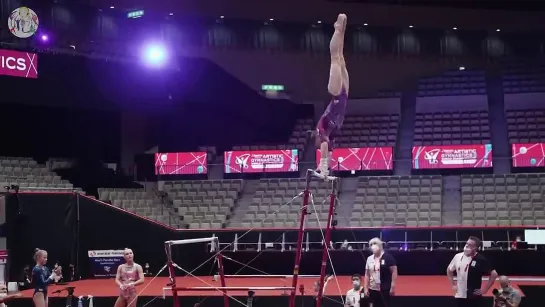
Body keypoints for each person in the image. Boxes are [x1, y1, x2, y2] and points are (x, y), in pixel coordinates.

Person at [314, 13, 350, 177]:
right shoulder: (328, 132)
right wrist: (324, 168)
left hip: (339, 95)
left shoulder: (322, 127)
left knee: (337, 59)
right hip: (341, 94)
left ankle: (339, 29)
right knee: (338, 58)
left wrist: (323, 167)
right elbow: (328, 148)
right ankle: (340, 30)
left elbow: (325, 144)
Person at [447, 236, 498, 307]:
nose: (467, 245)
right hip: (460, 294)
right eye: (467, 243)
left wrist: (485, 289)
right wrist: (453, 284)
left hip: (473, 296)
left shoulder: (481, 259)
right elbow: (449, 270)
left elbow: (494, 274)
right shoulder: (458, 256)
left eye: (470, 244)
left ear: (475, 247)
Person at [364, 238, 397, 307]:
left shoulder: (388, 257)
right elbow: (367, 274)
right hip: (372, 288)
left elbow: (394, 272)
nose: (373, 246)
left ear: (380, 245)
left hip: (384, 288)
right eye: (371, 244)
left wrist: (392, 287)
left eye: (375, 244)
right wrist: (366, 288)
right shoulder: (369, 259)